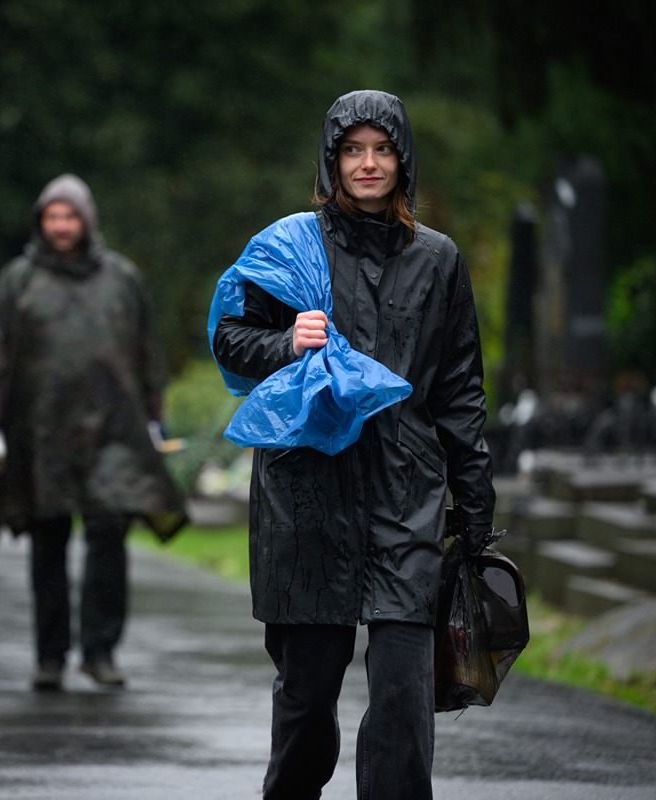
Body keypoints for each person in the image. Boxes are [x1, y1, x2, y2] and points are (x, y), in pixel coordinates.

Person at [210, 90, 496, 799]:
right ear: (331, 160)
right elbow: (230, 340)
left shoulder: (439, 261)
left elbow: (459, 389)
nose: (368, 164)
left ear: (403, 160)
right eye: (352, 149)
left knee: (403, 699)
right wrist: (286, 342)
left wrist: (475, 502)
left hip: (406, 495)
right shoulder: (289, 248)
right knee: (307, 701)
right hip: (307, 496)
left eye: (382, 149)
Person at [0, 173, 188, 692]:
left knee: (109, 532)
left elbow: (146, 353)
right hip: (39, 431)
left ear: (86, 220)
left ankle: (101, 651)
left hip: (113, 430)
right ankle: (50, 657)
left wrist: (155, 418)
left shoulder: (122, 278)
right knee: (47, 540)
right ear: (40, 223)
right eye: (52, 217)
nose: (61, 226)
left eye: (70, 216)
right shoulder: (18, 280)